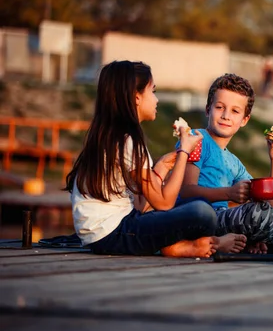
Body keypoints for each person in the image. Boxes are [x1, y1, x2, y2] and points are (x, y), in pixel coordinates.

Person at [65, 60, 246, 257]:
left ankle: (177, 247)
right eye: (153, 91)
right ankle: (205, 244)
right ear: (136, 97)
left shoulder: (110, 137)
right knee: (203, 213)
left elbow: (143, 205)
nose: (156, 100)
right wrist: (184, 152)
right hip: (114, 234)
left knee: (188, 208)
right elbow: (165, 203)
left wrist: (161, 166)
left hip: (106, 233)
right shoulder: (128, 142)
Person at [178, 73, 273, 254]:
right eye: (220, 107)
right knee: (255, 213)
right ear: (208, 109)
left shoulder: (234, 162)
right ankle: (270, 245)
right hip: (202, 219)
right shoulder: (195, 139)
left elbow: (271, 202)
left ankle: (260, 239)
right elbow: (186, 191)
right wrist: (228, 193)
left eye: (235, 111)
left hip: (228, 221)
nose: (226, 116)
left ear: (244, 119)